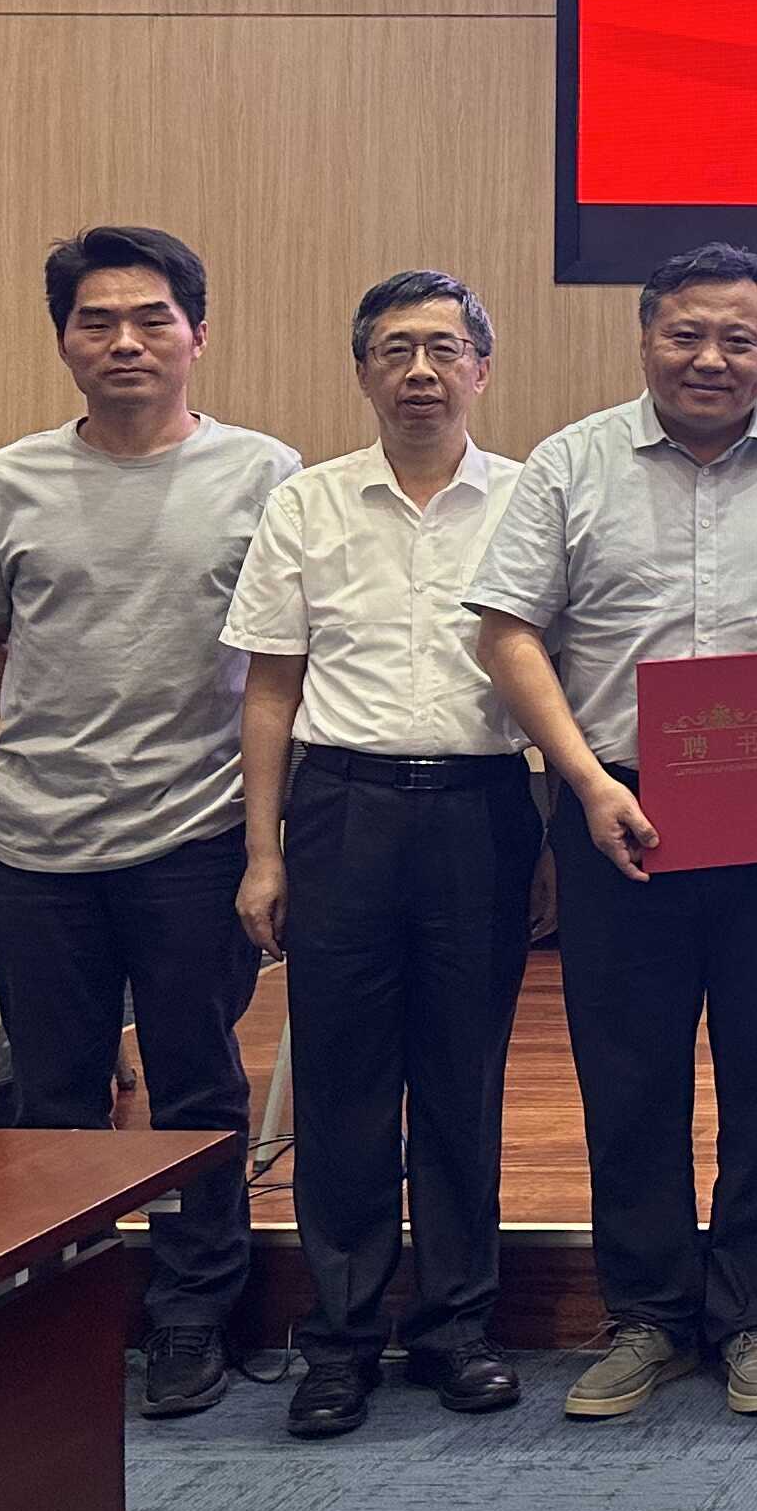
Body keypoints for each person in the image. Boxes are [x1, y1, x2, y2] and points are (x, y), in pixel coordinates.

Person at [468, 242, 757, 1423]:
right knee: (628, 1071)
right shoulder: (571, 464)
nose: (711, 358)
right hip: (618, 813)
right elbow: (508, 632)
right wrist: (584, 783)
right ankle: (646, 1314)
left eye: (739, 338)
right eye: (687, 334)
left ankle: (753, 1314)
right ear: (645, 337)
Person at [0, 226, 299, 1419]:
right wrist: (58, 730)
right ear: (64, 341)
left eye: (152, 319)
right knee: (54, 1093)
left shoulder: (264, 475)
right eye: (98, 321)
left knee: (197, 1086)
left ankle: (196, 1310)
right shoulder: (8, 480)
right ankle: (73, 1311)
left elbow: (287, 657)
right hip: (37, 842)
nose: (126, 342)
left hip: (196, 834)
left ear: (198, 335)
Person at [225, 271, 535, 1437]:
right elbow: (269, 690)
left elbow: (557, 677)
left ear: (481, 370)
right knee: (344, 1085)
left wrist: (554, 835)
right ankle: (342, 1338)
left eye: (444, 350)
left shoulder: (530, 500)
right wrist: (263, 853)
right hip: (341, 808)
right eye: (396, 350)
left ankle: (458, 1328)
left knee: (462, 1080)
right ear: (362, 370)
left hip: (481, 808)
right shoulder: (307, 504)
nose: (421, 371)